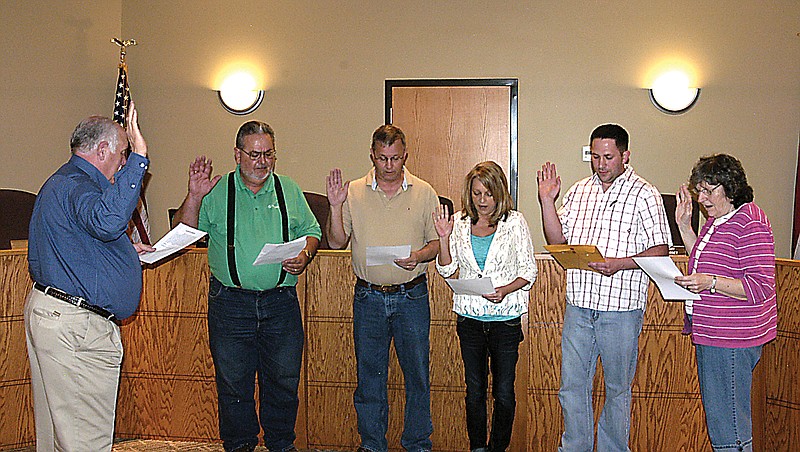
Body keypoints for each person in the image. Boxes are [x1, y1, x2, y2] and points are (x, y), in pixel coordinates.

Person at [171, 121, 320, 452]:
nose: (262, 162)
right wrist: (194, 195)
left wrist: (306, 254)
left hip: (280, 304)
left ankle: (281, 444)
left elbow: (313, 230)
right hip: (230, 305)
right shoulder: (217, 190)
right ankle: (239, 446)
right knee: (233, 384)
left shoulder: (289, 189)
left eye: (268, 153)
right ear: (237, 155)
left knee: (283, 382)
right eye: (254, 154)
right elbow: (182, 233)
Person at [25, 104, 153, 451]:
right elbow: (108, 221)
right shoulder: (76, 185)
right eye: (123, 154)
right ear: (102, 151)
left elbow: (84, 241)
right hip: (76, 327)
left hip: (59, 316)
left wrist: (127, 252)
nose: (124, 163)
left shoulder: (65, 183)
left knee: (61, 437)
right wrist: (141, 157)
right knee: (86, 441)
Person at [536, 124, 671, 451]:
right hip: (579, 306)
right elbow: (558, 242)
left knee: (617, 390)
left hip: (621, 310)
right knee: (571, 388)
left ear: (625, 155)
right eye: (595, 156)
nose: (600, 164)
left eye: (608, 157)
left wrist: (618, 263)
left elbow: (660, 250)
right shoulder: (580, 191)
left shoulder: (645, 193)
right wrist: (546, 201)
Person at [326, 124, 439, 452]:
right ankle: (373, 445)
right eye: (382, 159)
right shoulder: (354, 191)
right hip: (368, 297)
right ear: (372, 156)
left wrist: (418, 256)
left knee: (417, 375)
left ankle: (417, 444)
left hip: (411, 295)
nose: (389, 166)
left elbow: (435, 243)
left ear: (405, 155)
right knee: (370, 378)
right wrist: (335, 206)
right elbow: (336, 241)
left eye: (395, 158)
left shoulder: (424, 191)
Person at [673, 154, 777, 452]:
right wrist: (684, 225)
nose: (701, 198)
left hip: (732, 339)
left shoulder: (750, 221)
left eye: (708, 190)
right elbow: (703, 261)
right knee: (722, 423)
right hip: (712, 334)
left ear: (730, 188)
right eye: (699, 191)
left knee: (729, 427)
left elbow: (760, 287)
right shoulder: (718, 220)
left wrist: (711, 283)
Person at [433, 161, 537, 452]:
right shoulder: (459, 222)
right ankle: (477, 446)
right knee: (474, 391)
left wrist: (505, 290)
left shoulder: (514, 222)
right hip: (470, 319)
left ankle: (498, 447)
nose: (482, 201)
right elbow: (447, 269)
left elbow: (528, 271)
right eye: (477, 193)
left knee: (503, 392)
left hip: (505, 320)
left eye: (488, 194)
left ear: (499, 193)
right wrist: (443, 238)